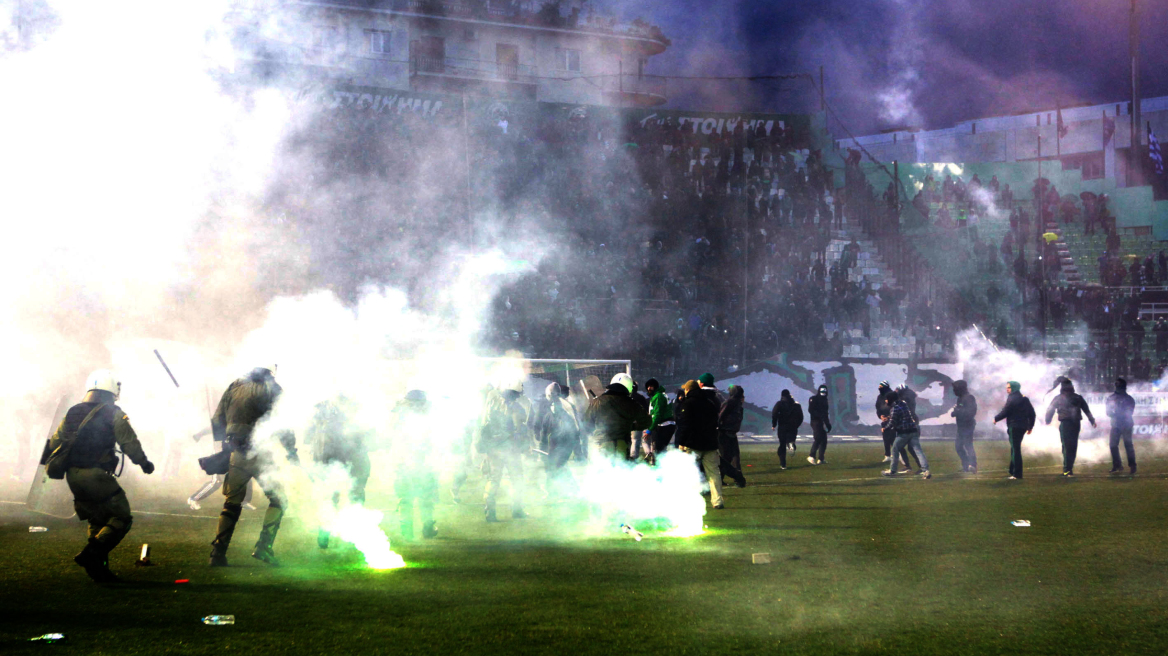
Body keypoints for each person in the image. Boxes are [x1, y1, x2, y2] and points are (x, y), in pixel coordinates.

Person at [51, 370, 154, 582]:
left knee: (97, 520)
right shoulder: (113, 412)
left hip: (73, 475)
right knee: (122, 516)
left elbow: (55, 441)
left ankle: (99, 571)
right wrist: (144, 463)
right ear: (111, 391)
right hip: (96, 475)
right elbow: (129, 443)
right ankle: (90, 556)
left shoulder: (73, 411)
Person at [209, 366, 292, 567]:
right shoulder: (272, 388)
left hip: (237, 452)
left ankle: (217, 553)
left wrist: (224, 445)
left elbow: (216, 419)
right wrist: (291, 449)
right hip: (261, 452)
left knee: (232, 503)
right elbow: (282, 421)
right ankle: (263, 548)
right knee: (279, 499)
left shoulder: (235, 386)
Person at [306, 395, 374, 547]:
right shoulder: (350, 417)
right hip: (347, 460)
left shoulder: (321, 415)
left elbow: (307, 438)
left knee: (332, 497)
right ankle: (354, 532)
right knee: (354, 495)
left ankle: (325, 533)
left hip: (328, 461)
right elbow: (368, 440)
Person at [479, 381, 531, 522]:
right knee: (516, 479)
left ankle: (491, 513)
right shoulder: (518, 408)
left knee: (494, 480)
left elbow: (484, 429)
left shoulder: (492, 406)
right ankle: (517, 510)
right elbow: (522, 430)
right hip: (509, 449)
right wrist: (525, 446)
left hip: (496, 450)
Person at [390, 390, 438, 539]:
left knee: (406, 498)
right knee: (424, 497)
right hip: (418, 462)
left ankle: (407, 530)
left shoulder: (400, 414)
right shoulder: (425, 415)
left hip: (406, 463)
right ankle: (427, 527)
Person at [673, 380, 723, 509]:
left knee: (689, 473)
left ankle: (689, 502)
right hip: (710, 444)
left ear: (688, 390)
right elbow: (715, 422)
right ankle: (717, 501)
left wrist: (681, 443)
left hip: (693, 444)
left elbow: (685, 425)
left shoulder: (688, 404)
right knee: (713, 474)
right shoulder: (709, 403)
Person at [583, 373, 651, 462]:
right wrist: (631, 426)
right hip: (622, 444)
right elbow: (647, 421)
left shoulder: (597, 402)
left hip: (601, 443)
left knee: (601, 473)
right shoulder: (631, 403)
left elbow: (586, 423)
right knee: (620, 472)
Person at [1043, 378, 1096, 476]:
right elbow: (1086, 409)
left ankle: (1067, 469)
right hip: (1076, 423)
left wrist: (1047, 420)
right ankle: (1069, 468)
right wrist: (1092, 420)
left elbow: (1050, 410)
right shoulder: (1078, 397)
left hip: (1065, 423)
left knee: (1066, 446)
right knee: (1073, 446)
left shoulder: (1058, 398)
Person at [538, 383, 580, 498]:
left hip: (562, 443)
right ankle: (559, 491)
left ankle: (564, 491)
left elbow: (548, 430)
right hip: (561, 443)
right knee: (558, 466)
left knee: (556, 466)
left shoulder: (560, 407)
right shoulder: (566, 406)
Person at [881, 390, 931, 478]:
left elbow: (893, 422)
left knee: (895, 449)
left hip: (903, 433)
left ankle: (892, 470)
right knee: (918, 451)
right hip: (913, 431)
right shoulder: (903, 404)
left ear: (890, 399)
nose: (885, 401)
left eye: (886, 399)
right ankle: (926, 470)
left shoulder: (895, 408)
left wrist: (885, 428)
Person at [993, 381, 1036, 480]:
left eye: (1008, 387)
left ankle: (1017, 474)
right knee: (1014, 448)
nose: (1007, 389)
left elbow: (1006, 411)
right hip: (1023, 427)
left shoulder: (1012, 398)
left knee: (1015, 450)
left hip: (1014, 426)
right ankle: (1012, 470)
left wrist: (996, 418)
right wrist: (1030, 427)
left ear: (1013, 388)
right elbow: (1032, 414)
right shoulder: (1025, 398)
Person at [1105, 377, 1137, 475]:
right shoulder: (1112, 398)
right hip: (1117, 424)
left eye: (1119, 385)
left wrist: (1116, 414)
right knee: (1113, 445)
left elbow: (1130, 412)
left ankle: (1132, 465)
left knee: (1127, 444)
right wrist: (1114, 414)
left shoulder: (1128, 399)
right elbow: (1108, 411)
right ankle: (1117, 465)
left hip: (1125, 424)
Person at [717, 385, 747, 488]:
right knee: (727, 458)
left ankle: (737, 479)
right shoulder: (730, 403)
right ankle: (724, 479)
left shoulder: (736, 404)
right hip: (724, 434)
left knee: (734, 457)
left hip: (731, 434)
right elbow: (720, 416)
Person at [643, 378, 675, 465]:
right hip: (665, 425)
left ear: (655, 387)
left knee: (658, 451)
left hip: (664, 425)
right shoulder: (659, 395)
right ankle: (659, 466)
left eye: (651, 386)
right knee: (660, 450)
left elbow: (657, 415)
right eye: (648, 387)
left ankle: (658, 469)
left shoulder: (658, 396)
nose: (649, 388)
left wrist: (650, 429)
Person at [770, 389, 803, 470]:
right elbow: (801, 417)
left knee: (782, 445)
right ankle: (791, 445)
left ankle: (783, 464)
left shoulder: (779, 403)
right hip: (793, 427)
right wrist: (796, 425)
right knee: (791, 440)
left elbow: (774, 414)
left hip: (782, 426)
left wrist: (774, 424)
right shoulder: (796, 405)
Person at [951, 380, 978, 473]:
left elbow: (971, 412)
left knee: (968, 445)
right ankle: (966, 466)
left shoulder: (969, 398)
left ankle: (972, 465)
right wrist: (955, 412)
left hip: (968, 426)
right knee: (958, 446)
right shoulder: (960, 398)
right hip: (961, 426)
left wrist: (957, 411)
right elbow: (959, 410)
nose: (954, 391)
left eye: (955, 388)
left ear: (960, 388)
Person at [807, 384, 831, 465]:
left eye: (824, 391)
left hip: (821, 421)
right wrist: (820, 416)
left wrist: (827, 423)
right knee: (818, 438)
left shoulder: (825, 401)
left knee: (824, 440)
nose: (823, 392)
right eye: (822, 391)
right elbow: (811, 410)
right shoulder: (814, 399)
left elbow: (825, 414)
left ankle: (821, 459)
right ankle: (811, 456)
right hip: (815, 421)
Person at [875, 381, 896, 464]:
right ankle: (887, 455)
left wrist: (890, 416)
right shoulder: (879, 397)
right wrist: (881, 416)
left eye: (881, 387)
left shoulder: (892, 395)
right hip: (884, 421)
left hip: (893, 420)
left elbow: (895, 407)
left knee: (893, 438)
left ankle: (895, 454)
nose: (880, 389)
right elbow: (878, 409)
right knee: (886, 438)